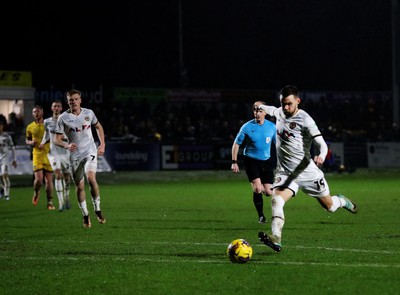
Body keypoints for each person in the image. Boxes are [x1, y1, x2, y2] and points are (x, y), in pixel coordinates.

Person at [258, 85, 358, 252]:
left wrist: (322, 155)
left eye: (289, 104)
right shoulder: (280, 112)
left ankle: (341, 201)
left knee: (330, 207)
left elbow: (322, 144)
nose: (286, 107)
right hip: (285, 172)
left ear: (298, 101)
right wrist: (260, 106)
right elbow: (271, 110)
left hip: (306, 171)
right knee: (276, 200)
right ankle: (276, 238)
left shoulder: (306, 120)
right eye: (283, 103)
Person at [54, 89, 106, 228]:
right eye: (71, 99)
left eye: (76, 99)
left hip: (90, 150)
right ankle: (85, 215)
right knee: (80, 185)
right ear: (68, 101)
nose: (74, 102)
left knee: (91, 179)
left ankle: (98, 209)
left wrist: (102, 144)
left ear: (80, 100)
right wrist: (66, 145)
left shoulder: (89, 113)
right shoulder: (63, 118)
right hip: (74, 155)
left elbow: (98, 127)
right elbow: (56, 139)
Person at [231, 101, 276, 224]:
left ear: (265, 112)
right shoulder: (247, 127)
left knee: (269, 192)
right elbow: (236, 144)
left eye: (260, 110)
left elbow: (279, 145)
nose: (257, 112)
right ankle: (261, 216)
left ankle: (262, 186)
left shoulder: (272, 127)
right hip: (251, 160)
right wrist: (234, 161)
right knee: (257, 189)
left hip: (266, 161)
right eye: (255, 110)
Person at [40, 100, 71, 211]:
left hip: (65, 152)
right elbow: (46, 134)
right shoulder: (47, 121)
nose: (56, 108)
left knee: (67, 177)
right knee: (58, 175)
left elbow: (71, 134)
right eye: (54, 106)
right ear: (52, 108)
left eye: (58, 106)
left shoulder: (67, 121)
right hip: (53, 153)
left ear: (61, 108)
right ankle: (61, 202)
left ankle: (67, 196)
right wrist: (43, 142)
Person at [26, 105, 55, 210]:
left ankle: (50, 202)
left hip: (49, 154)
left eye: (37, 111)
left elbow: (54, 137)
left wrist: (47, 141)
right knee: (38, 180)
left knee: (48, 180)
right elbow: (27, 139)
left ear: (42, 112)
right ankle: (36, 191)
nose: (36, 113)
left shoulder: (48, 125)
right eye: (34, 112)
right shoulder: (30, 127)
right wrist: (30, 142)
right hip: (37, 155)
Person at [0, 119, 17, 200]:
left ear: (2, 126)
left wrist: (14, 159)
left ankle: (7, 195)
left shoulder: (7, 136)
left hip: (4, 159)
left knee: (5, 176)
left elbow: (12, 148)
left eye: (0, 125)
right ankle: (2, 189)